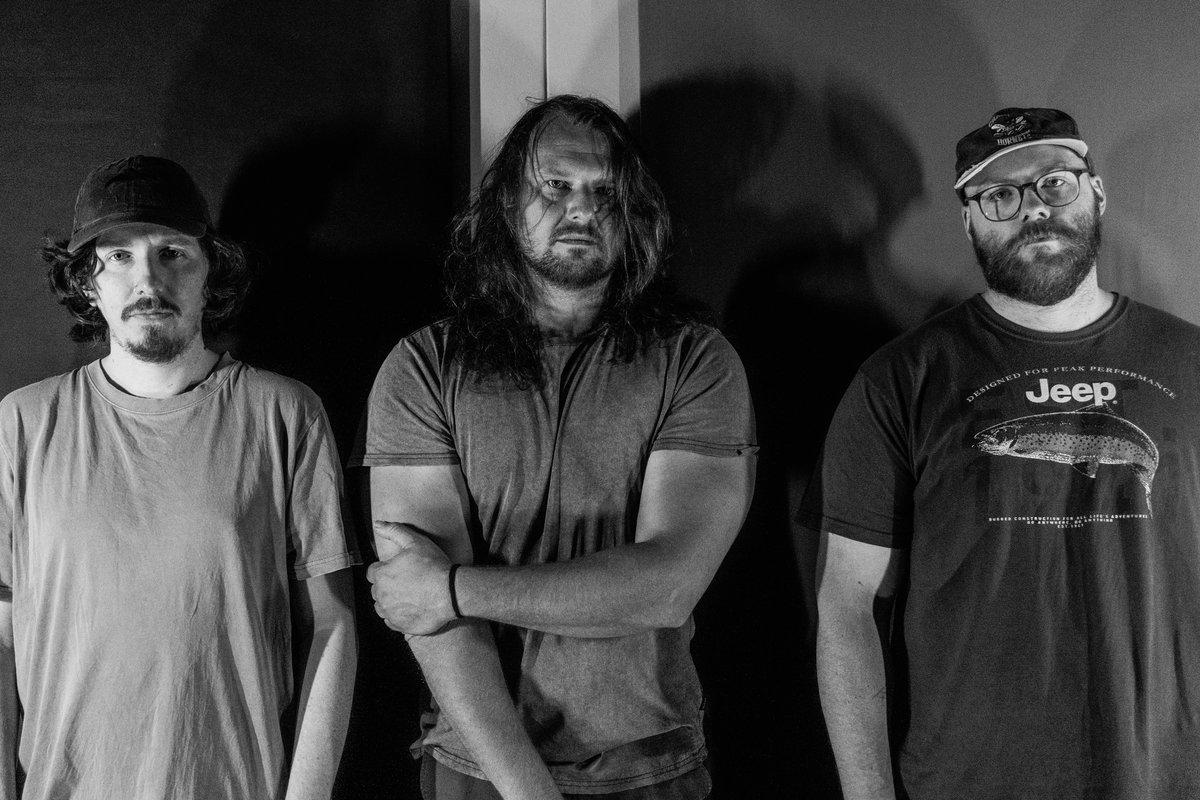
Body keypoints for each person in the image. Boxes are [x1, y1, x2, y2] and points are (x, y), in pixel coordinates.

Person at [357, 95, 757, 800]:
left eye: (606, 191)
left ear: (633, 213)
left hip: (654, 769)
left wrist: (452, 589)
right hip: (478, 770)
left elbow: (668, 585)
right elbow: (431, 626)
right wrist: (527, 790)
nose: (582, 208)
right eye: (555, 184)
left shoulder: (696, 362)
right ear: (508, 201)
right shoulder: (423, 367)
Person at [803, 107, 1200, 799]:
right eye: (999, 196)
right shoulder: (898, 381)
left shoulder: (1191, 360)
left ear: (1096, 193)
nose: (1033, 210)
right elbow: (846, 608)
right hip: (966, 781)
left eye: (1054, 183)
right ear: (970, 222)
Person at [0, 155, 360, 799]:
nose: (148, 280)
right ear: (86, 282)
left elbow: (333, 626)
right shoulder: (22, 423)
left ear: (209, 270)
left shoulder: (284, 414)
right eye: (118, 257)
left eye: (172, 253)